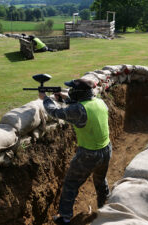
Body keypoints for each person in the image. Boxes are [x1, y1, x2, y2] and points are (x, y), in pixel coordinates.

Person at [38, 79, 112, 225]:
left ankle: (64, 217)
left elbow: (55, 112)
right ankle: (107, 210)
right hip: (106, 150)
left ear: (79, 92)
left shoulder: (78, 109)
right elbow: (81, 107)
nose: (70, 91)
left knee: (71, 184)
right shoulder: (99, 102)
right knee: (100, 180)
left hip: (88, 154)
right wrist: (65, 98)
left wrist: (45, 99)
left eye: (72, 89)